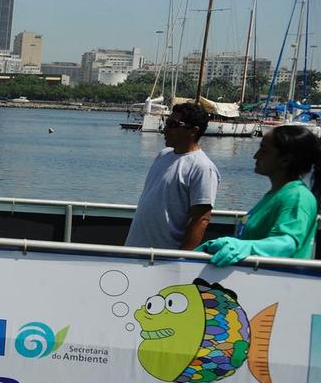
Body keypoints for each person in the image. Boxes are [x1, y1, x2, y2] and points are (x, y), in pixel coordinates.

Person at [198, 125, 321, 265]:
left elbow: (287, 244)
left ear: (285, 159)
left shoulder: (297, 197)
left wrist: (245, 247)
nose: (255, 156)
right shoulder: (275, 194)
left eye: (263, 150)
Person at [125, 102, 220, 250]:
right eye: (166, 123)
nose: (165, 129)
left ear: (193, 131)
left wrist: (181, 260)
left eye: (173, 124)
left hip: (163, 257)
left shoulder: (202, 168)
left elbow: (201, 219)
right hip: (135, 249)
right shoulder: (163, 155)